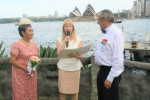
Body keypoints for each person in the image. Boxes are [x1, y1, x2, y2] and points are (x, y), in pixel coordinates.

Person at [94, 9, 124, 100]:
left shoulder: (116, 33)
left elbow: (118, 58)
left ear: (105, 20)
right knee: (102, 97)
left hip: (110, 73)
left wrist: (110, 78)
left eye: (98, 20)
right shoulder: (104, 32)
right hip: (102, 71)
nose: (97, 22)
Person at [10, 24, 38, 100]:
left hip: (32, 74)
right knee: (20, 93)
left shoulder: (34, 44)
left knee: (32, 92)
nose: (32, 32)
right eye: (29, 31)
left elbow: (36, 57)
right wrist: (25, 68)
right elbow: (12, 60)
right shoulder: (16, 45)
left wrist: (35, 64)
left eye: (32, 30)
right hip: (20, 75)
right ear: (23, 33)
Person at [56, 19, 83, 100]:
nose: (68, 28)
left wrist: (75, 55)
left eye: (70, 26)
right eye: (66, 26)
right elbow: (59, 54)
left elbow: (81, 56)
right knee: (62, 91)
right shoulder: (59, 40)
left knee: (75, 91)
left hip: (75, 68)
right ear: (63, 28)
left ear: (73, 28)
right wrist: (64, 42)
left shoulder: (79, 40)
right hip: (63, 68)